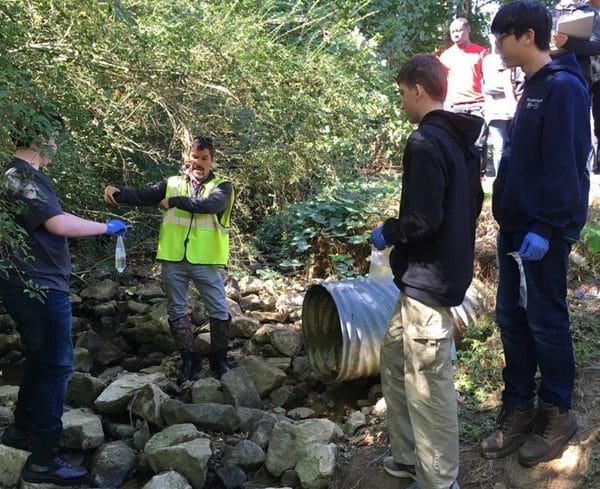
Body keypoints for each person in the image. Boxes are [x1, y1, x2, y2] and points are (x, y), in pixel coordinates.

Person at [480, 1, 590, 468]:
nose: (497, 48)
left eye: (500, 38)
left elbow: (567, 166)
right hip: (515, 228)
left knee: (546, 319)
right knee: (512, 317)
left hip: (541, 231)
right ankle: (519, 407)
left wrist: (548, 227)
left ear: (526, 35)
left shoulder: (564, 87)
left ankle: (557, 413)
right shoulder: (532, 86)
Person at [371, 54, 484, 489]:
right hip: (431, 276)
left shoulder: (425, 142)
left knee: (428, 386)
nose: (401, 103)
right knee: (396, 361)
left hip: (429, 282)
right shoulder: (461, 141)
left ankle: (439, 480)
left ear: (419, 89)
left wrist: (387, 231)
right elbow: (471, 207)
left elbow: (421, 220)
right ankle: (407, 456)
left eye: (402, 94)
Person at [0, 122, 127, 486]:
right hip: (38, 285)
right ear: (41, 139)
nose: (55, 146)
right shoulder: (21, 175)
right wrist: (106, 228)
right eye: (53, 139)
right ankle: (45, 460)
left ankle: (21, 432)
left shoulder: (14, 175)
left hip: (24, 283)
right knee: (56, 367)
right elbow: (57, 223)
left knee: (40, 361)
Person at [103, 135, 235, 381]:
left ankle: (220, 359)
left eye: (204, 158)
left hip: (205, 260)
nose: (199, 162)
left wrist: (174, 202)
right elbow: (144, 195)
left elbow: (211, 205)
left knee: (218, 308)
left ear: (212, 160)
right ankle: (189, 359)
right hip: (173, 258)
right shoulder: (172, 182)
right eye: (194, 157)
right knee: (176, 309)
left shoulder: (223, 186)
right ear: (187, 158)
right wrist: (118, 192)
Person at [482, 36, 519, 176]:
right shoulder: (489, 61)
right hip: (495, 111)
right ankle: (500, 179)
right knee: (499, 148)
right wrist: (509, 86)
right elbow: (488, 87)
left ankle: (513, 180)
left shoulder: (514, 57)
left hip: (514, 111)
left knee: (515, 147)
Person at [439, 17, 488, 117]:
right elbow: (440, 83)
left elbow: (490, 79)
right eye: (453, 32)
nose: (456, 34)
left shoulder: (482, 53)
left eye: (459, 30)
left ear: (468, 30)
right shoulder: (445, 56)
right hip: (453, 106)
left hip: (477, 105)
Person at [550, 0, 600, 87]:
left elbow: (597, 46)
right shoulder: (550, 12)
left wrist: (567, 43)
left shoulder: (590, 12)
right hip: (551, 72)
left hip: (579, 75)